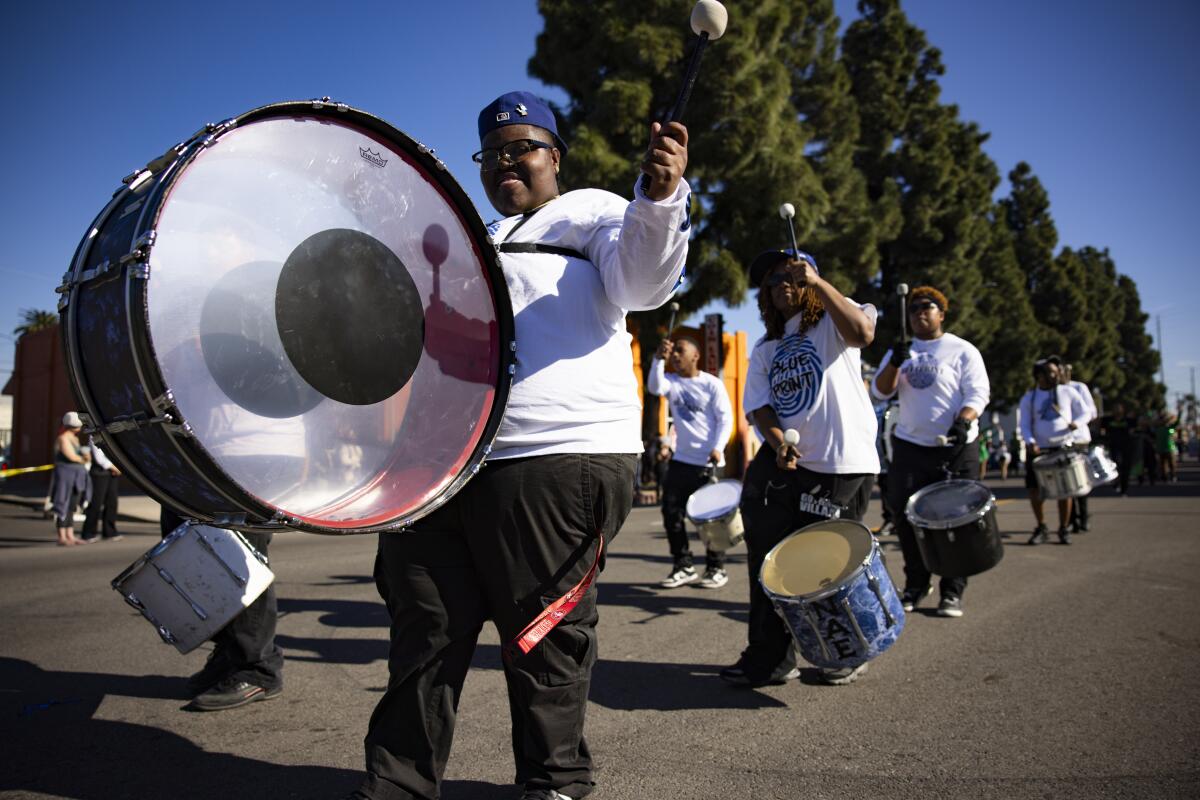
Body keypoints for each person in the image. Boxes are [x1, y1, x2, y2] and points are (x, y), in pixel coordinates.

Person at [349, 92, 690, 800]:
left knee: (541, 638)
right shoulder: (471, 239)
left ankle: (553, 784)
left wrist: (660, 199)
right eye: (493, 153)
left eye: (523, 147)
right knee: (425, 628)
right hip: (446, 466)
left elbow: (644, 282)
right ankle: (396, 787)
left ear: (555, 157)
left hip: (556, 456)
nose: (507, 161)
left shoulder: (592, 211)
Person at [720, 248, 879, 689]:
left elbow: (863, 333)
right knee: (769, 564)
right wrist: (778, 446)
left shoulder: (835, 319)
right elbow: (760, 408)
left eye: (791, 274)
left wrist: (819, 285)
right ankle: (770, 659)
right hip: (786, 467)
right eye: (772, 281)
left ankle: (845, 652)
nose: (782, 284)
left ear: (809, 277)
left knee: (828, 568)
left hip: (841, 465)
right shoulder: (768, 344)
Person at [871, 286, 990, 618]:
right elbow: (880, 392)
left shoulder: (961, 350)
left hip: (955, 447)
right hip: (911, 446)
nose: (920, 312)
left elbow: (978, 392)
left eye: (928, 306)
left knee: (956, 520)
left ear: (942, 313)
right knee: (906, 516)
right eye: (914, 308)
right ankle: (916, 583)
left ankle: (952, 590)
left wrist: (965, 421)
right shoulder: (903, 350)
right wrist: (895, 360)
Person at [160, 506, 285, 711]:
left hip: (238, 485)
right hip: (192, 482)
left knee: (239, 560)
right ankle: (229, 655)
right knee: (194, 552)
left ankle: (257, 668)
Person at [649, 336, 735, 589]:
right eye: (673, 351)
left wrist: (718, 448)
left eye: (680, 351)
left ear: (695, 356)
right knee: (671, 512)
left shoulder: (712, 384)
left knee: (712, 518)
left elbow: (725, 419)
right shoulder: (672, 382)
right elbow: (654, 387)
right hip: (682, 460)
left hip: (708, 461)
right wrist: (657, 359)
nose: (675, 355)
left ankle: (716, 567)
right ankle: (683, 565)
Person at [1018, 358, 1088, 544]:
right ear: (1039, 375)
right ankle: (1041, 526)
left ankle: (1063, 528)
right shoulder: (1030, 398)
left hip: (1062, 447)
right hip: (1039, 450)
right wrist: (1030, 441)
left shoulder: (1068, 392)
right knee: (1034, 490)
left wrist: (1077, 424)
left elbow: (1086, 412)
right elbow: (1024, 424)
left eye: (1056, 372)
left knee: (1065, 490)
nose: (1055, 375)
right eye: (1050, 372)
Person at [1053, 359, 1097, 531]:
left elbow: (1091, 412)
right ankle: (1070, 520)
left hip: (1079, 439)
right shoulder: (1052, 392)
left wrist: (1076, 422)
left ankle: (1083, 516)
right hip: (1062, 441)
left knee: (1080, 480)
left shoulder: (1078, 387)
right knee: (1065, 483)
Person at [50, 412, 91, 547]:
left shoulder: (75, 438)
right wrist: (83, 458)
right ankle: (62, 536)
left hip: (76, 475)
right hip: (65, 475)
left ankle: (70, 535)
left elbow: (82, 456)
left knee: (72, 505)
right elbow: (71, 456)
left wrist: (84, 458)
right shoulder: (63, 438)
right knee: (63, 503)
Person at [81, 436, 122, 542]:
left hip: (112, 473)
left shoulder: (111, 434)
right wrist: (113, 467)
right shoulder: (94, 436)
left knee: (112, 502)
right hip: (99, 473)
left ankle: (109, 531)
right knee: (96, 503)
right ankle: (88, 532)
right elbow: (98, 457)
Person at [1156, 412, 1179, 483]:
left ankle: (1170, 476)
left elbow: (1176, 423)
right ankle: (1167, 477)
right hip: (1164, 449)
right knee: (1166, 465)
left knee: (1168, 464)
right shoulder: (1160, 428)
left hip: (1166, 449)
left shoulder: (1169, 428)